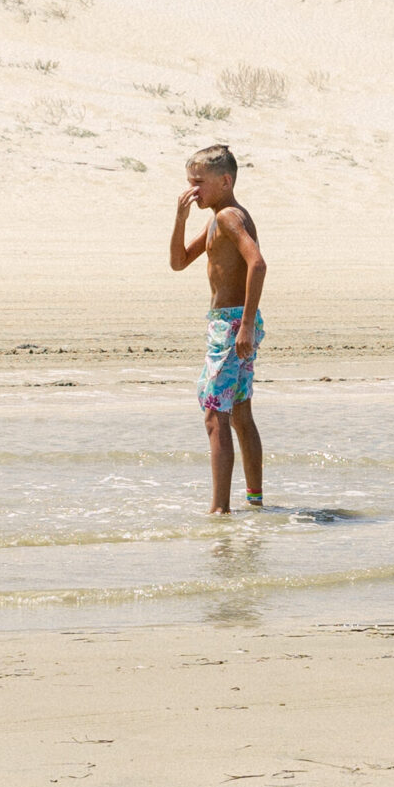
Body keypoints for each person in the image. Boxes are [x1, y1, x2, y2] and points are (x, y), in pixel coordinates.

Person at [169, 143, 268, 514]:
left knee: (215, 415)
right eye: (189, 183)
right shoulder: (216, 219)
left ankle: (219, 510)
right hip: (232, 323)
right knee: (240, 412)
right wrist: (180, 218)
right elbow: (179, 262)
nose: (192, 191)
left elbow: (257, 264)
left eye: (199, 184)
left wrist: (243, 325)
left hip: (231, 325)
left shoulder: (229, 216)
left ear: (225, 181)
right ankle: (255, 503)